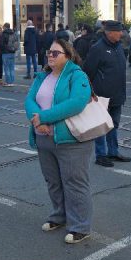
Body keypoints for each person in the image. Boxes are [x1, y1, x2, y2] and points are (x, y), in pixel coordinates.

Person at [25, 39, 95, 243]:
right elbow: (29, 100)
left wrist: (44, 117)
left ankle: (80, 225)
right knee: (53, 181)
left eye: (56, 53)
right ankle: (59, 216)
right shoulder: (42, 76)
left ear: (68, 55)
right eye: (49, 52)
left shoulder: (76, 75)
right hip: (43, 138)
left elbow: (77, 102)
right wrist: (37, 122)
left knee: (75, 182)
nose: (50, 56)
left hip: (70, 140)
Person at [83, 20, 130, 167]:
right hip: (102, 95)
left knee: (113, 125)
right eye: (118, 31)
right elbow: (88, 71)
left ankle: (113, 152)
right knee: (101, 125)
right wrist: (90, 92)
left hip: (117, 94)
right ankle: (101, 154)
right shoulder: (98, 48)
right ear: (109, 32)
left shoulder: (118, 47)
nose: (121, 33)